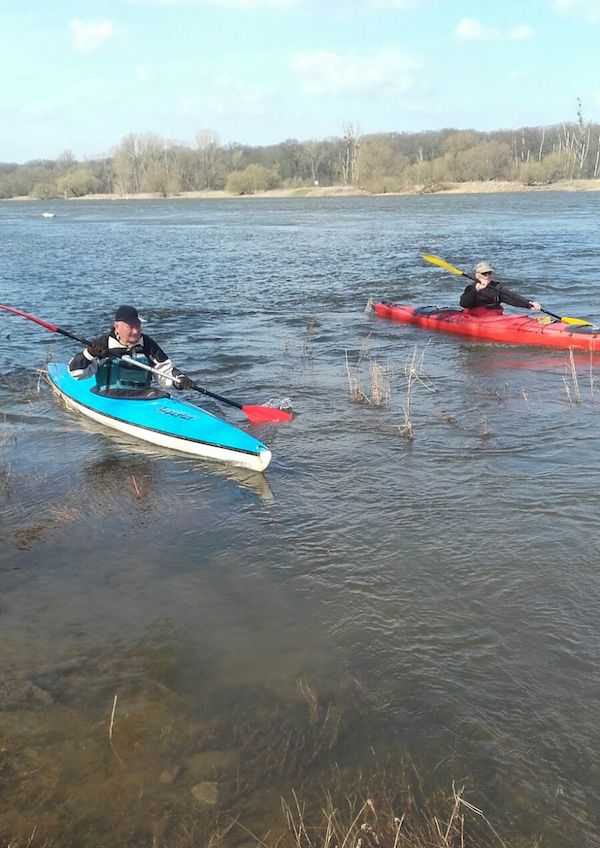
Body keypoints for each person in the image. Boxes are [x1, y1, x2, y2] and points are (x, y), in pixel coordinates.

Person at [68, 305, 195, 396]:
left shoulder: (147, 344)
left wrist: (180, 379)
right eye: (131, 327)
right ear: (116, 326)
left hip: (142, 396)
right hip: (110, 396)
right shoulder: (102, 345)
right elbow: (76, 374)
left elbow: (164, 370)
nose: (136, 331)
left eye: (138, 326)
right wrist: (89, 354)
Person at [459, 262, 542, 313]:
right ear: (477, 275)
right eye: (484, 273)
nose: (487, 276)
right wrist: (476, 290)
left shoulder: (497, 287)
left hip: (494, 317)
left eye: (489, 273)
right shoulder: (471, 288)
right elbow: (464, 304)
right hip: (476, 318)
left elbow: (511, 298)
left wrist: (529, 303)